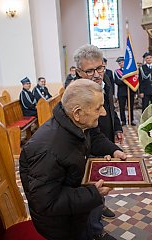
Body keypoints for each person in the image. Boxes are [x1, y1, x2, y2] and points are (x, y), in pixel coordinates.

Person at [20, 79, 126, 240]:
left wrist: (113, 150)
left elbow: (93, 138)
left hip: (77, 214)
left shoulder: (75, 123)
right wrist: (93, 193)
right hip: (61, 227)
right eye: (98, 108)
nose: (104, 112)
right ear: (77, 113)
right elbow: (47, 203)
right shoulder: (47, 149)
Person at [74, 44, 124, 239]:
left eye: (100, 68)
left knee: (105, 180)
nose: (96, 74)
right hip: (89, 144)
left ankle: (101, 207)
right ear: (79, 71)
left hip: (106, 137)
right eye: (89, 71)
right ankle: (96, 231)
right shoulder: (77, 93)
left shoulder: (108, 78)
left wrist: (117, 127)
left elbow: (111, 107)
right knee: (92, 184)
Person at [114, 56, 136, 126]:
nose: (121, 64)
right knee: (122, 107)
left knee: (130, 107)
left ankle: (131, 120)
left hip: (130, 91)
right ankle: (123, 121)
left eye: (122, 62)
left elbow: (133, 81)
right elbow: (117, 82)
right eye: (119, 63)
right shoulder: (117, 72)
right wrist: (127, 81)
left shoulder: (130, 71)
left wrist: (126, 81)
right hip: (121, 92)